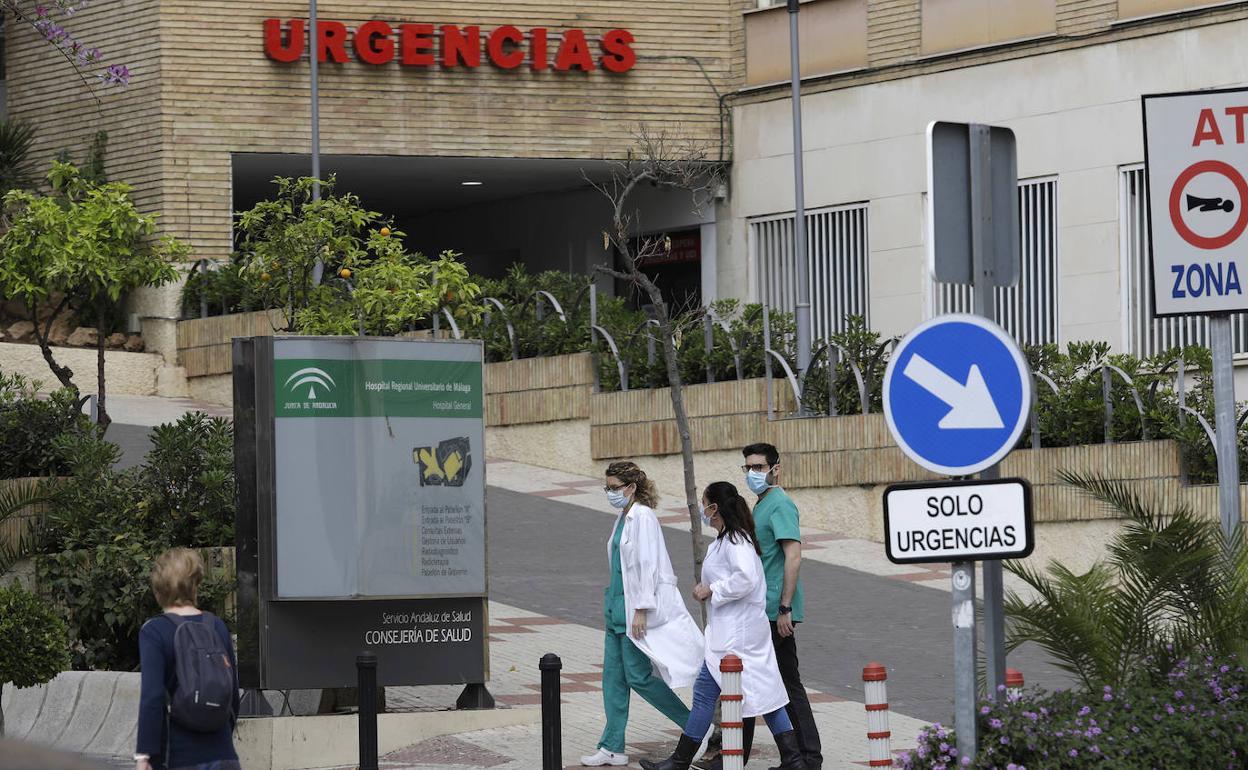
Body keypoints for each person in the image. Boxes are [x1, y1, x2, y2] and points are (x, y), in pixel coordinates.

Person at [641, 481, 807, 770]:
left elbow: (746, 579)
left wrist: (712, 589)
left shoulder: (735, 542)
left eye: (705, 503)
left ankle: (680, 760)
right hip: (735, 633)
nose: (702, 509)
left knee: (711, 692)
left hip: (736, 637)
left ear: (714, 508)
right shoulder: (727, 540)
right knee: (766, 695)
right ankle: (793, 759)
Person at [582, 461, 706, 767]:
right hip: (615, 608)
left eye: (614, 488)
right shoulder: (623, 517)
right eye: (606, 488)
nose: (610, 493)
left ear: (631, 488)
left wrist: (641, 609)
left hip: (633, 610)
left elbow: (649, 565)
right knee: (613, 678)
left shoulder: (644, 517)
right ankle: (612, 746)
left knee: (637, 676)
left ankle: (696, 727)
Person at [738, 442, 822, 770]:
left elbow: (793, 555)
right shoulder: (761, 504)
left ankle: (807, 758)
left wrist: (785, 608)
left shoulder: (780, 505)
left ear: (775, 469)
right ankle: (799, 758)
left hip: (776, 612)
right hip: (764, 611)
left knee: (787, 684)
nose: (753, 474)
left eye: (759, 468)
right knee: (778, 683)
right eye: (748, 468)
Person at [135, 548, 240, 770]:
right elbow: (232, 693)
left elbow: (152, 697)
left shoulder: (155, 631)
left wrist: (145, 754)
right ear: (196, 584)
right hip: (224, 754)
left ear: (158, 588)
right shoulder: (216, 626)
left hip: (178, 756)